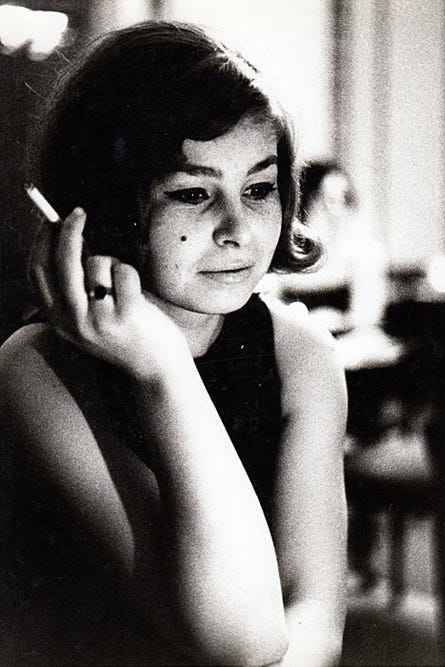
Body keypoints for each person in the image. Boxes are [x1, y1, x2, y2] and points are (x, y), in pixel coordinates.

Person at [0, 22, 347, 666]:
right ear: (106, 209)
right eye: (193, 193)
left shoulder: (303, 357)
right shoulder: (34, 368)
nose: (239, 229)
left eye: (259, 189)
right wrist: (165, 369)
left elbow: (315, 620)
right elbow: (238, 637)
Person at [262, 160, 387, 332]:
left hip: (349, 340)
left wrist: (327, 322)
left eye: (344, 199)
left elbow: (367, 319)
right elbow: (267, 311)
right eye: (327, 200)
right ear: (303, 205)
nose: (336, 212)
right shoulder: (281, 253)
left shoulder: (365, 252)